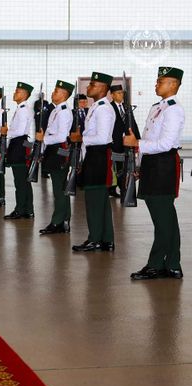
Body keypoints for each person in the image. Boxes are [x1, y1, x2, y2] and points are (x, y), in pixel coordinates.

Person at [126, 67, 185, 280]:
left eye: (161, 81)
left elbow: (166, 143)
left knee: (163, 218)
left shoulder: (173, 110)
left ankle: (157, 265)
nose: (156, 84)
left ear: (173, 84)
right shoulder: (157, 107)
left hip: (163, 165)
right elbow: (150, 137)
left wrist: (137, 144)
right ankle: (172, 265)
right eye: (157, 81)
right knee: (166, 218)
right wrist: (140, 165)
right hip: (152, 164)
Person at [72, 72, 116, 252]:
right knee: (100, 200)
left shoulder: (104, 109)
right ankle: (106, 239)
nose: (88, 87)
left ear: (103, 88)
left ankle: (95, 239)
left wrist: (81, 138)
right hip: (93, 155)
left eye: (92, 85)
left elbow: (102, 138)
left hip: (98, 155)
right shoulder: (96, 107)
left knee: (94, 200)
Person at [37, 80, 74, 234]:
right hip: (53, 150)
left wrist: (43, 140)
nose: (53, 93)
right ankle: (64, 220)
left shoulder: (64, 111)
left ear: (64, 94)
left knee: (59, 190)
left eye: (56, 91)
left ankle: (58, 222)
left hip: (59, 151)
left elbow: (61, 136)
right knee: (60, 189)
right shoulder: (56, 110)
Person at [2, 82, 35, 220]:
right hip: (19, 145)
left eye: (18, 91)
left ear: (25, 94)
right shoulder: (22, 108)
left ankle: (20, 209)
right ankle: (28, 209)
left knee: (20, 181)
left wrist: (6, 132)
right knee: (23, 181)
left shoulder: (23, 109)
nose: (14, 93)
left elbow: (20, 131)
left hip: (19, 146)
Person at [109, 84, 140, 200]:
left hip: (127, 143)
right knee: (115, 167)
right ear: (112, 95)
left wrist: (137, 138)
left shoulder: (127, 107)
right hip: (115, 142)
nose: (121, 95)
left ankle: (123, 189)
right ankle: (112, 188)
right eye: (118, 93)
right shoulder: (109, 107)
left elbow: (133, 122)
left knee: (126, 167)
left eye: (122, 93)